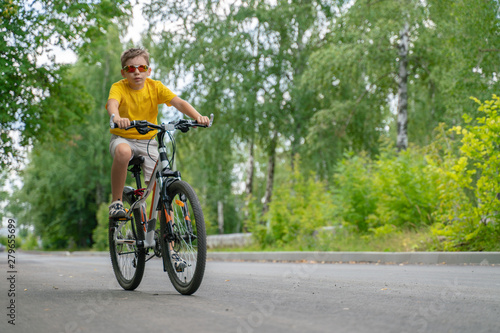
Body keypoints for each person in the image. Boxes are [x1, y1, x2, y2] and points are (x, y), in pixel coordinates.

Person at [106, 47, 210, 218]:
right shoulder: (119, 87)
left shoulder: (155, 87)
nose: (137, 72)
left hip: (148, 141)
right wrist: (117, 117)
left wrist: (198, 117)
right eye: (131, 68)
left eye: (142, 68)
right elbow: (112, 104)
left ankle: (165, 235)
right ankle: (116, 202)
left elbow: (179, 103)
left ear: (149, 70)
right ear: (123, 73)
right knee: (123, 152)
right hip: (123, 137)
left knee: (161, 183)